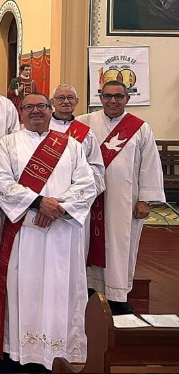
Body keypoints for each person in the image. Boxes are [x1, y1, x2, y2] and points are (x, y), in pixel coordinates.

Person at [0, 93, 97, 369]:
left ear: (50, 111)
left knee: (60, 289)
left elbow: (87, 185)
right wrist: (39, 204)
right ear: (20, 112)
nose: (36, 111)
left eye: (41, 107)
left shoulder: (71, 146)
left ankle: (58, 350)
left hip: (62, 233)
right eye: (29, 107)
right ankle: (21, 352)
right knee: (24, 288)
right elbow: (1, 183)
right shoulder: (7, 144)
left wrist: (58, 209)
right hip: (25, 230)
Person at [77, 81, 164, 314]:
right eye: (107, 96)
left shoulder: (140, 127)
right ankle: (88, 290)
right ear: (100, 97)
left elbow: (150, 164)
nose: (112, 101)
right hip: (88, 197)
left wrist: (146, 199)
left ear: (127, 99)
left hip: (124, 201)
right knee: (85, 243)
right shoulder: (84, 122)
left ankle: (117, 295)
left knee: (120, 244)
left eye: (118, 96)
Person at [49, 84, 106, 261]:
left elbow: (97, 169)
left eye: (70, 98)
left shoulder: (86, 133)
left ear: (77, 102)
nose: (66, 102)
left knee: (74, 255)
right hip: (45, 200)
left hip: (75, 204)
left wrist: (76, 197)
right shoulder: (39, 128)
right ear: (52, 102)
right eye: (61, 98)